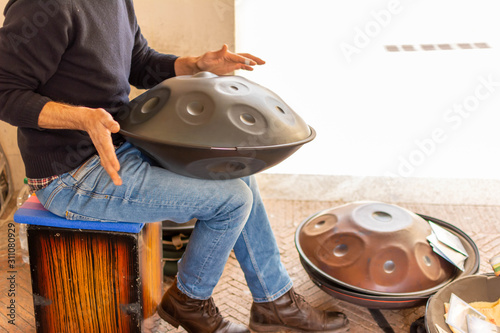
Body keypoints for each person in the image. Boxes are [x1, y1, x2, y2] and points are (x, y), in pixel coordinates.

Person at [0, 1, 349, 332]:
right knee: (232, 201)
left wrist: (197, 65)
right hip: (71, 173)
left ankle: (274, 301)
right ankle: (190, 300)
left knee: (238, 171)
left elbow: (139, 61)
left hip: (119, 145)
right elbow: (5, 91)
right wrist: (81, 117)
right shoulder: (43, 6)